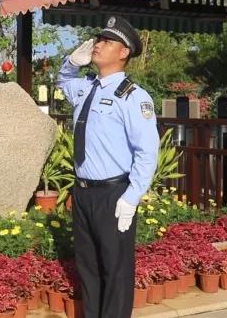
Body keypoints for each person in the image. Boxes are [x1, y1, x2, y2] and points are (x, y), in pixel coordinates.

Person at [57, 16, 159, 318]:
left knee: (115, 270)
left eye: (106, 41)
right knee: (88, 267)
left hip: (114, 194)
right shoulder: (86, 87)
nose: (97, 45)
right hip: (84, 192)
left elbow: (147, 150)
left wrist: (132, 196)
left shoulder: (133, 97)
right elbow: (63, 82)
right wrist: (71, 62)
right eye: (98, 39)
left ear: (123, 52)